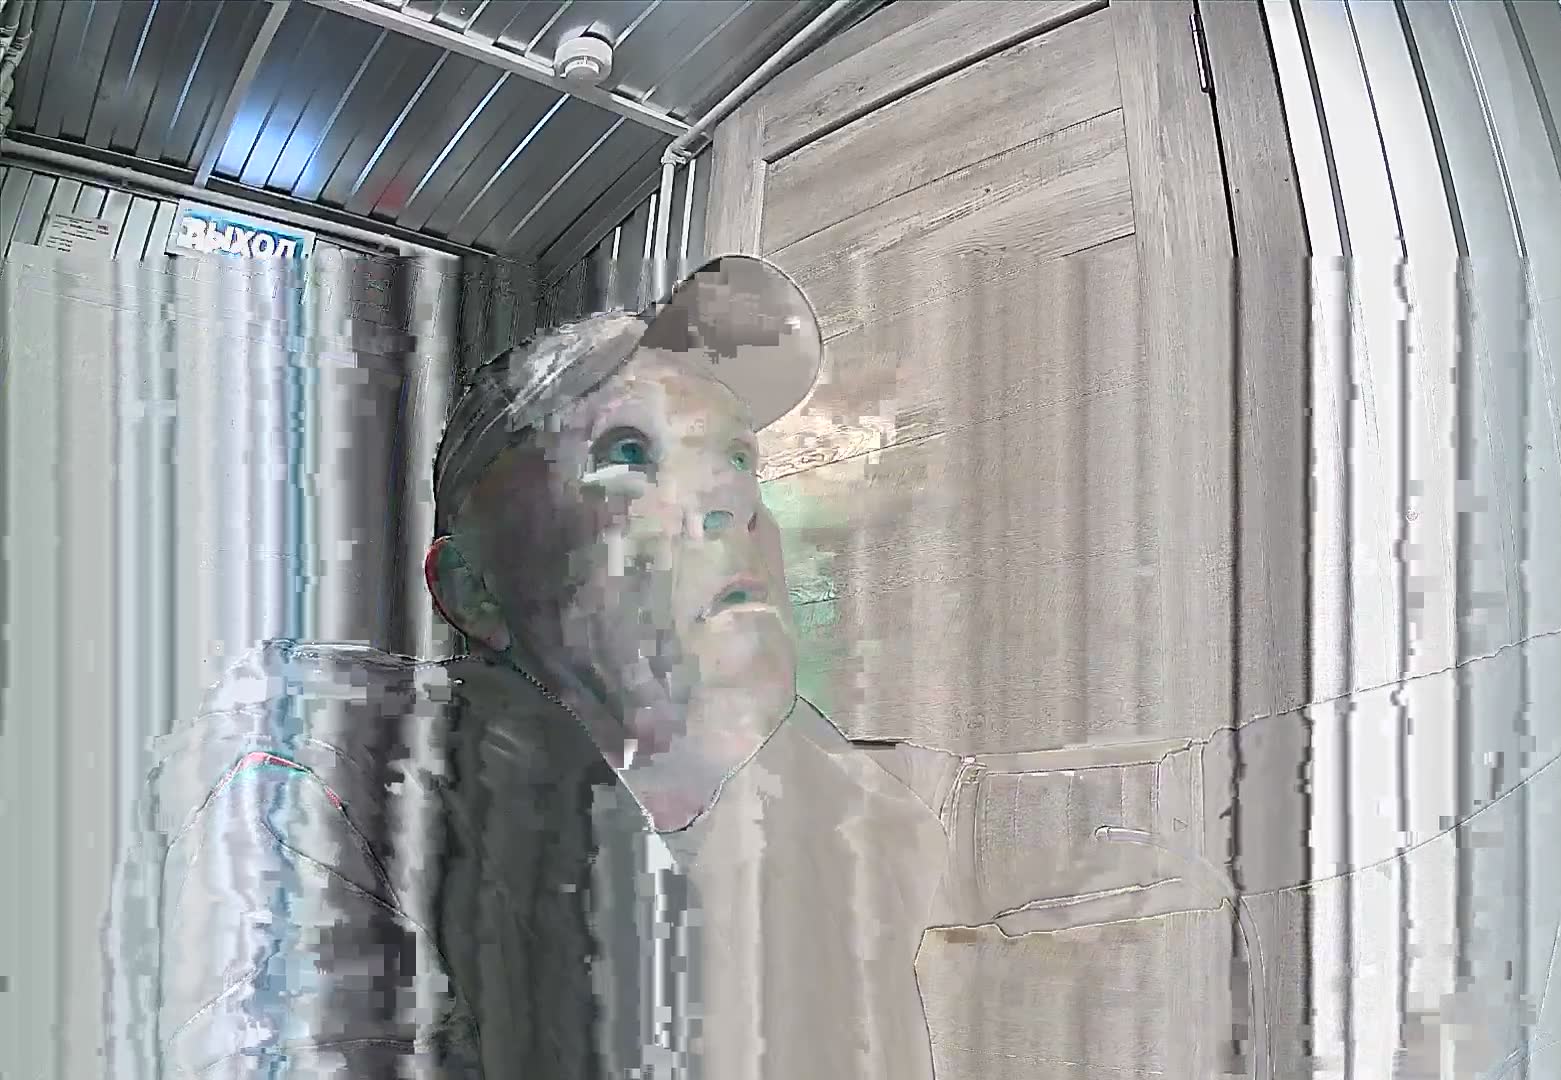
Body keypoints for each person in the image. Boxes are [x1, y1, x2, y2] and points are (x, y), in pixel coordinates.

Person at [105, 256, 953, 1079]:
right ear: (472, 589)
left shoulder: (856, 824)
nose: (729, 499)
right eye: (628, 455)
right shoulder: (331, 794)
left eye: (737, 459)